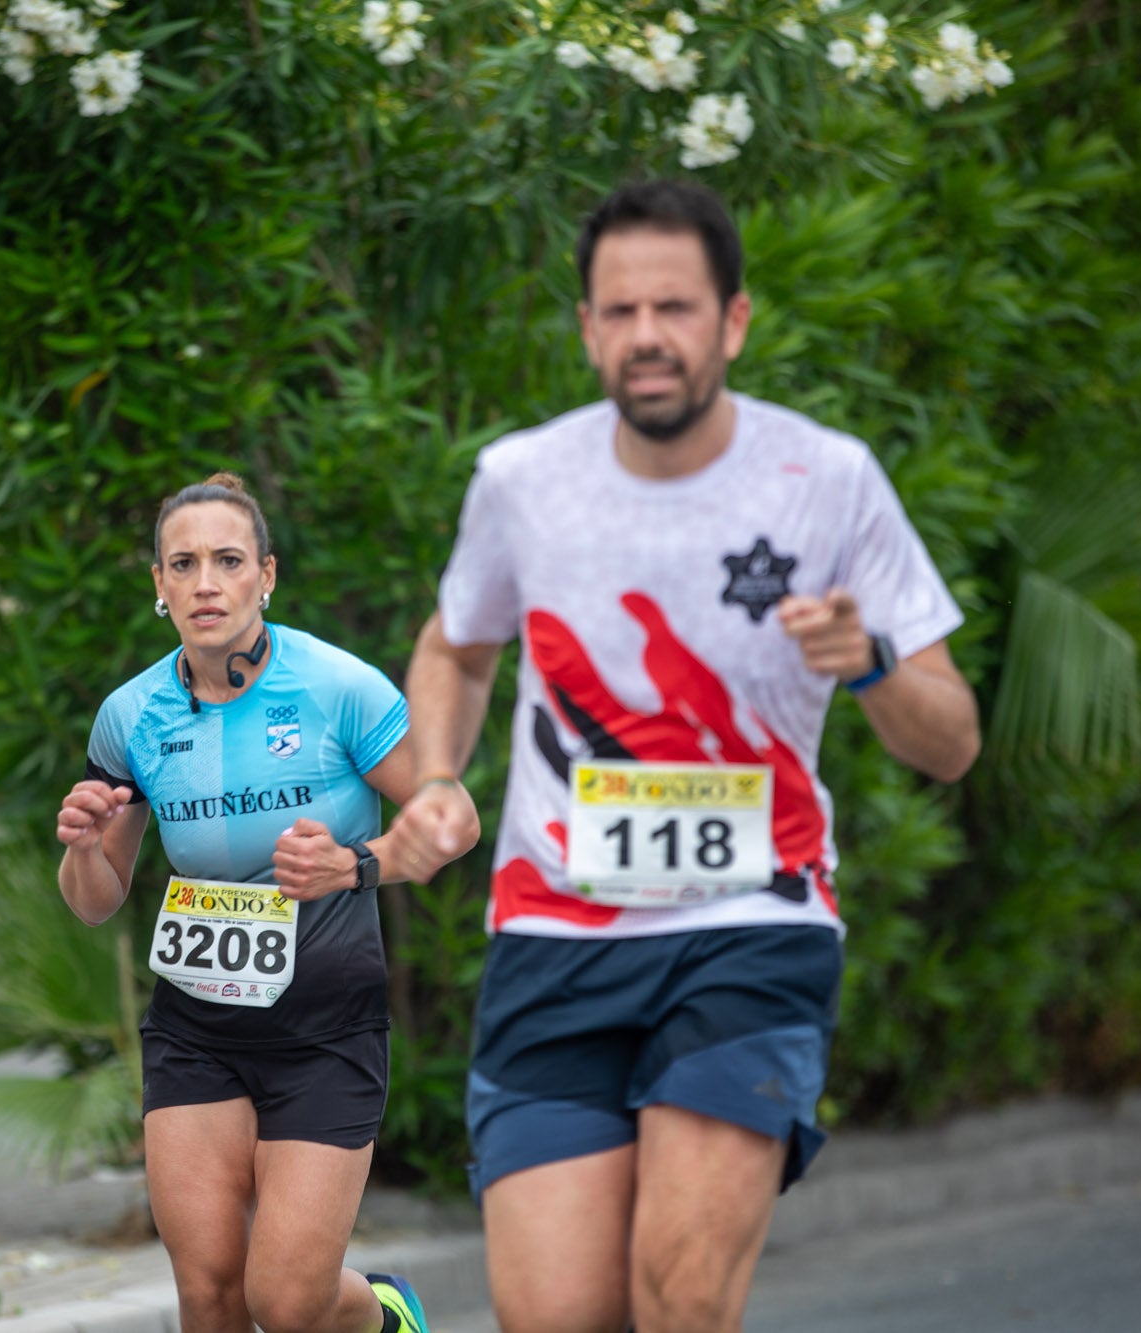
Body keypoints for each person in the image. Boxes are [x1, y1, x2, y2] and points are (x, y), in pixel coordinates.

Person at [384, 179, 981, 1333]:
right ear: (586, 329)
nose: (645, 335)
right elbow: (454, 649)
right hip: (553, 935)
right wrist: (441, 777)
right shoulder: (520, 480)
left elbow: (949, 741)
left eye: (674, 306)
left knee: (680, 1294)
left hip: (752, 928)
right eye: (619, 311)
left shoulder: (827, 477)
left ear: (732, 321)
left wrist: (869, 662)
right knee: (554, 1316)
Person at [55, 473, 442, 1333]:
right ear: (157, 584)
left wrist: (353, 864)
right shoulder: (132, 716)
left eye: (227, 560)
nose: (205, 583)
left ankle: (382, 1314)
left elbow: (450, 822)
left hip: (327, 1028)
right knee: (209, 1293)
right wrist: (84, 848)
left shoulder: (339, 688)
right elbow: (95, 900)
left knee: (289, 1301)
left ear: (266, 574)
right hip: (197, 1029)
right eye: (182, 563)